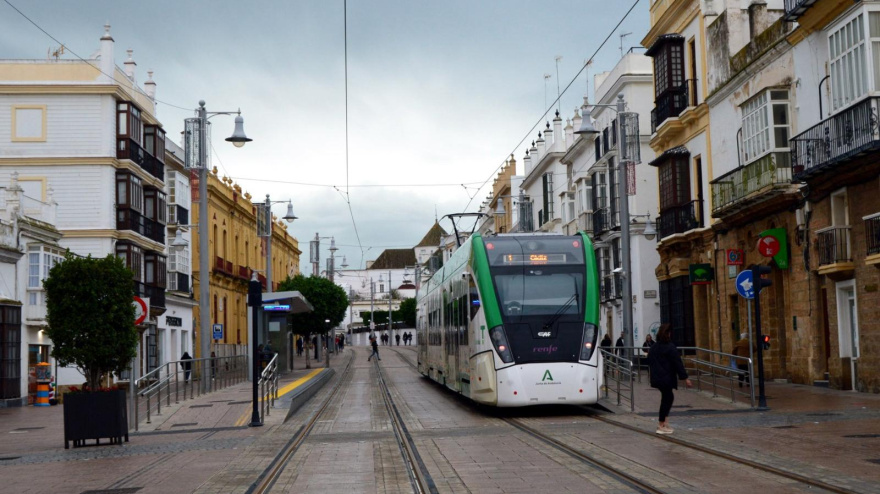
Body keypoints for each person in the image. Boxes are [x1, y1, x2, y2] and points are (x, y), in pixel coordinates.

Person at [647, 324, 692, 434]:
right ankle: (661, 424)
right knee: (667, 398)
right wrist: (685, 378)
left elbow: (649, 360)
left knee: (667, 397)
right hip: (666, 377)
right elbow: (677, 363)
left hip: (657, 377)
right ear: (668, 333)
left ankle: (665, 422)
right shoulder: (670, 347)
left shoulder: (654, 347)